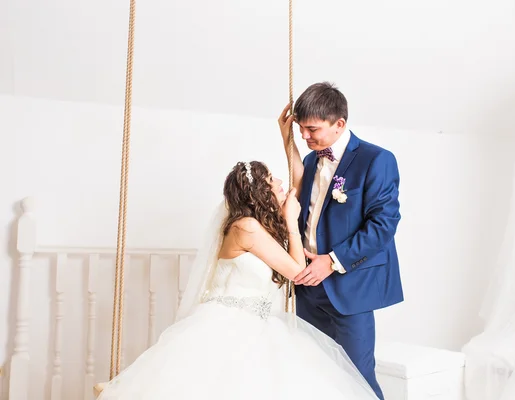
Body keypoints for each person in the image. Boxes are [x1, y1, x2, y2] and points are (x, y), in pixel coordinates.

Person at [96, 160, 379, 399]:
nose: (279, 181)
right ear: (258, 192)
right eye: (271, 179)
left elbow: (300, 189)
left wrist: (286, 140)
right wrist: (291, 220)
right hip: (227, 325)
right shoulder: (247, 227)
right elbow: (298, 272)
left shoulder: (262, 229)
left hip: (258, 325)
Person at [277, 82, 403, 399]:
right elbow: (300, 196)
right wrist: (287, 139)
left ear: (339, 124)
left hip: (350, 289)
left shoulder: (377, 160)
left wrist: (332, 262)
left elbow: (384, 225)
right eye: (301, 130)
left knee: (357, 379)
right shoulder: (310, 160)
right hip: (308, 288)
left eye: (311, 129)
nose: (305, 137)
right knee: (316, 376)